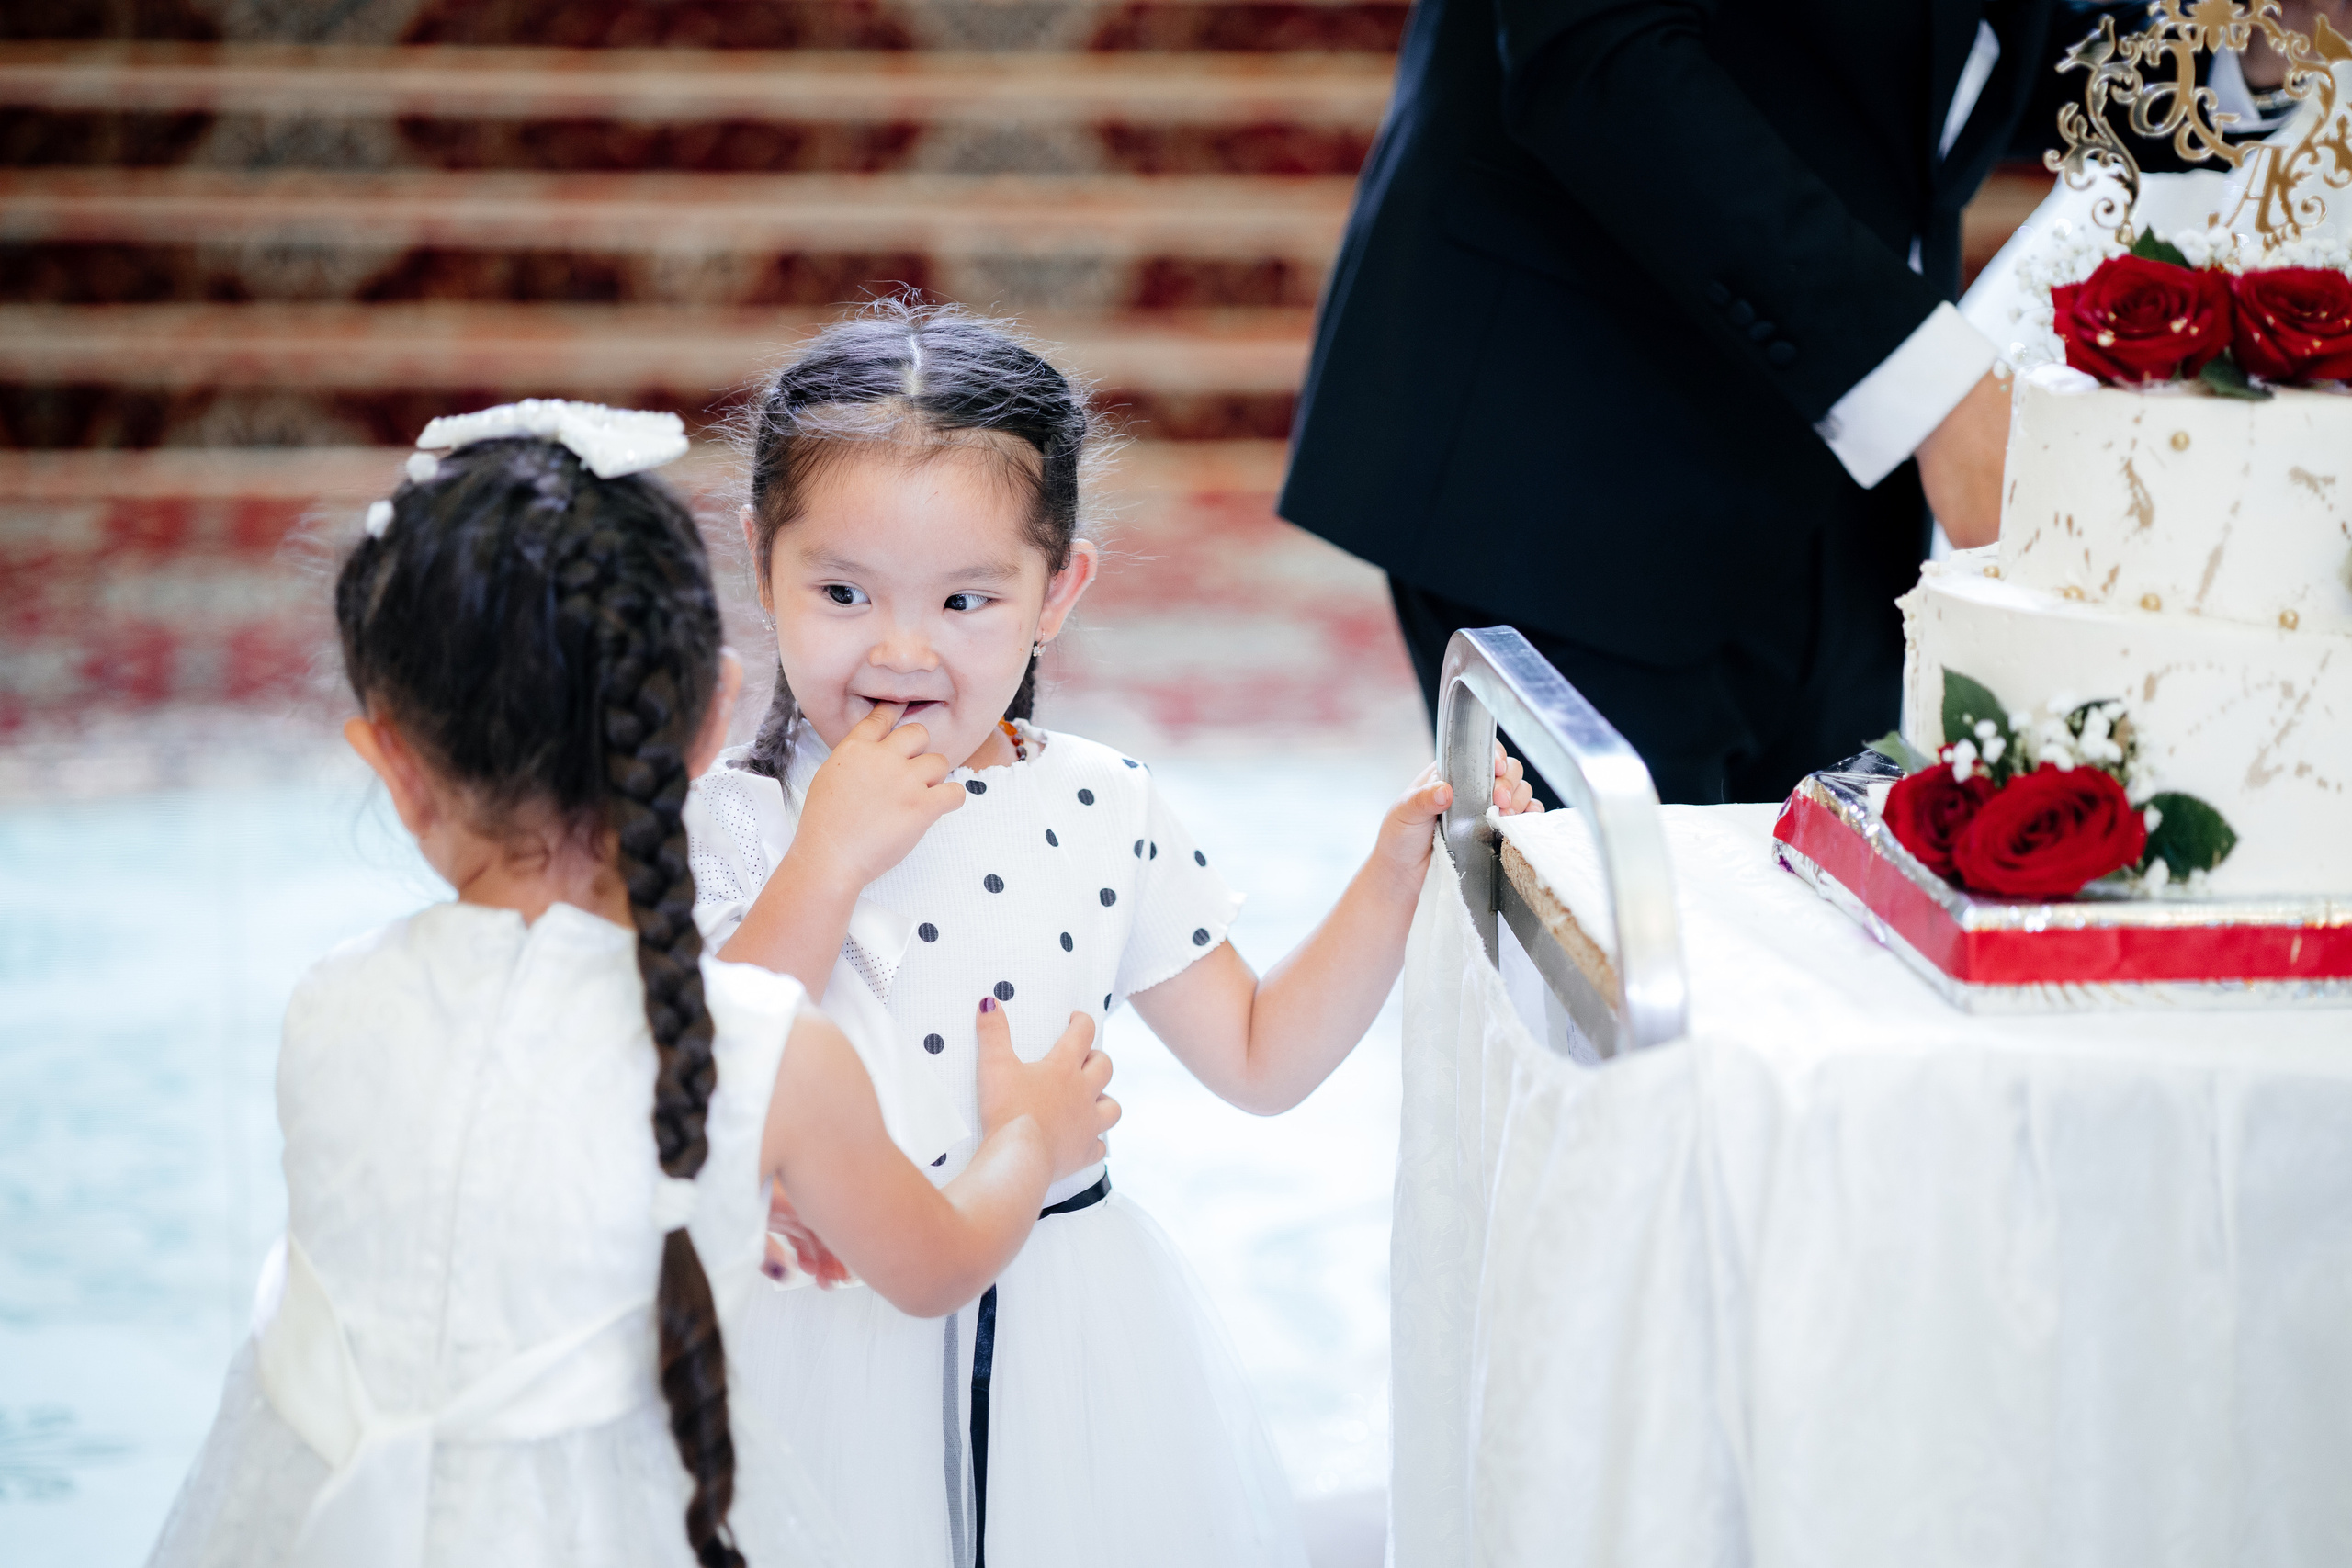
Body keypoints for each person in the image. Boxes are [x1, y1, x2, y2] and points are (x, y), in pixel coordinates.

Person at [147, 401, 1118, 1568]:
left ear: (393, 764)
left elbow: (487, 1199)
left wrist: (719, 1198)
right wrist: (1030, 1133)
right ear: (708, 722)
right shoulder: (757, 1046)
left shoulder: (331, 1000)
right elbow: (937, 1266)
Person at [687, 302, 1541, 1568]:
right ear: (764, 564)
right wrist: (827, 858)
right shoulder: (733, 815)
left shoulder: (1101, 804)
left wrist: (1390, 875)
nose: (903, 649)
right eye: (844, 591)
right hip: (820, 1327)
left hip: (1061, 1328)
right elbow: (710, 1078)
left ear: (1057, 591)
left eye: (967, 597)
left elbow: (1259, 1055)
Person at [1281, 0, 2064, 805]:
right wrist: (1926, 382)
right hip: (1575, 417)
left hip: (1849, 479)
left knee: (1827, 875)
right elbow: (1594, 45)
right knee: (1601, 882)